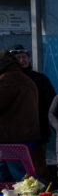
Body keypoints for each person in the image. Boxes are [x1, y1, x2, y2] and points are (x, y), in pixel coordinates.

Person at [9, 45, 56, 182]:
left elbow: (52, 104)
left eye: (24, 57)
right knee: (19, 171)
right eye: (19, 58)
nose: (23, 60)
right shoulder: (7, 80)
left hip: (37, 133)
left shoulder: (40, 79)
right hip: (13, 136)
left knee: (38, 167)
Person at [0, 50, 39, 180]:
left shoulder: (7, 80)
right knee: (22, 178)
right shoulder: (25, 79)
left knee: (23, 180)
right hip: (23, 137)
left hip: (10, 139)